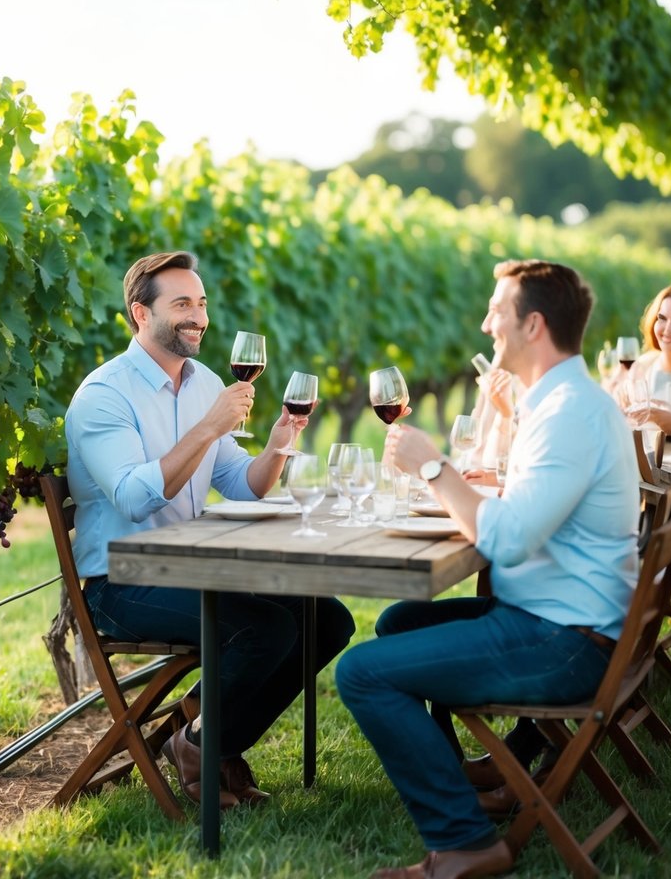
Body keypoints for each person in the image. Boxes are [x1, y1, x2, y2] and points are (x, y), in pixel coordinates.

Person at [336, 259, 639, 879]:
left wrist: (434, 468)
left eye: (496, 312)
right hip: (565, 618)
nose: (484, 323)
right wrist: (484, 485)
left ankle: (465, 842)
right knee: (398, 623)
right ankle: (462, 789)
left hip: (565, 640)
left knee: (362, 672)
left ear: (533, 325)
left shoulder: (568, 413)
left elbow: (508, 540)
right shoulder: (563, 401)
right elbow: (531, 512)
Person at [65, 250, 355, 809]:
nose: (197, 316)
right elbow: (130, 497)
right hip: (121, 581)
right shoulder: (104, 395)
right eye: (181, 304)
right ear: (140, 314)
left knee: (326, 618)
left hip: (192, 565)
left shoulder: (204, 384)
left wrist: (277, 445)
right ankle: (204, 747)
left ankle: (200, 738)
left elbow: (242, 484)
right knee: (261, 629)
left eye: (201, 303)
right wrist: (208, 427)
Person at [631, 283, 671, 435]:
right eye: (662, 318)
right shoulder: (643, 365)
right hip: (645, 458)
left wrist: (668, 421)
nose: (667, 329)